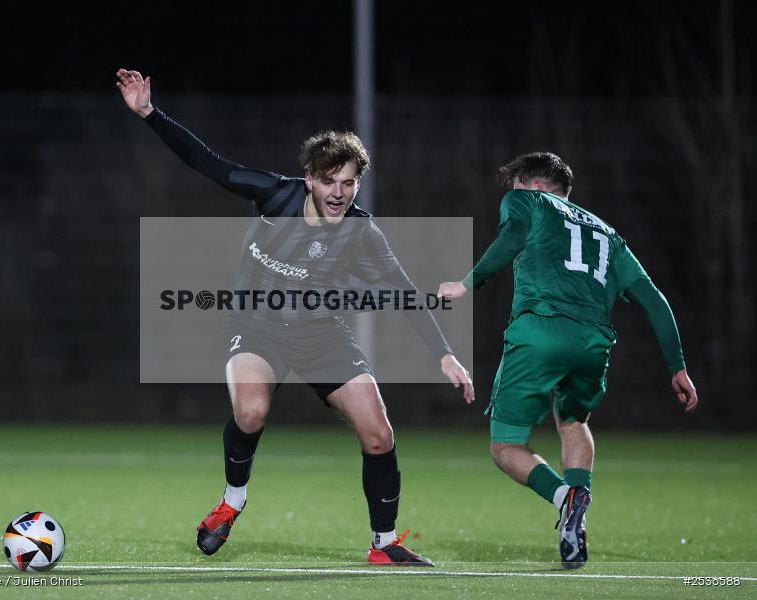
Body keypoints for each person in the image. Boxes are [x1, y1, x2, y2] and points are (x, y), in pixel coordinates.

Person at [117, 68, 474, 566]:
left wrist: (445, 355)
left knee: (379, 433)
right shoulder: (274, 194)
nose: (339, 192)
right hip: (256, 326)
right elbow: (208, 163)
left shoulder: (361, 232)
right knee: (251, 413)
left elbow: (405, 293)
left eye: (349, 183)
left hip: (320, 333)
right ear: (310, 178)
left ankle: (384, 544)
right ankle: (231, 503)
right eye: (330, 181)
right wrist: (151, 114)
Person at [438, 152, 698, 569]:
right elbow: (655, 300)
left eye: (517, 185)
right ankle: (578, 508)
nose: (511, 195)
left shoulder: (529, 203)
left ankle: (565, 498)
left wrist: (469, 283)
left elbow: (510, 238)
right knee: (575, 423)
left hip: (540, 330)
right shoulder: (610, 235)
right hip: (594, 342)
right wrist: (677, 365)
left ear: (536, 186)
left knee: (505, 445)